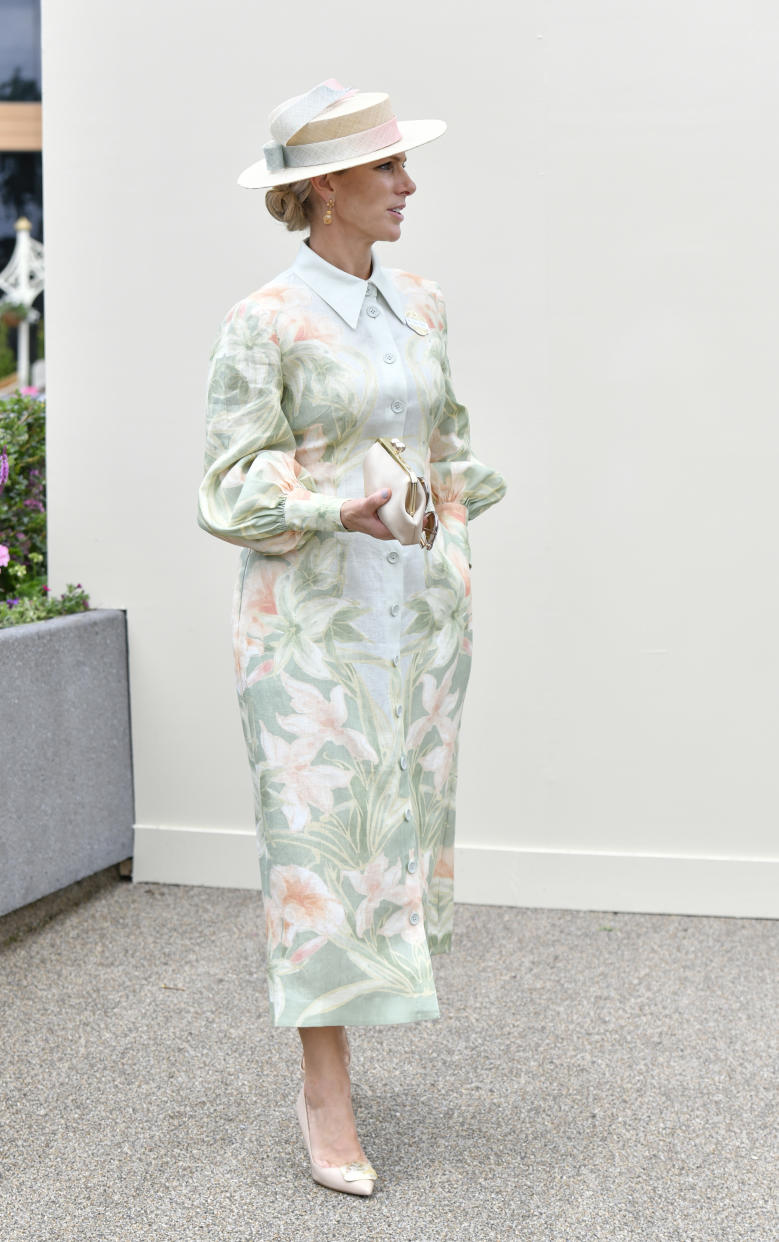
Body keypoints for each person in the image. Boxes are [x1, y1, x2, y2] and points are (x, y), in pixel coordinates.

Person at [197, 79, 507, 1197]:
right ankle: (324, 1089)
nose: (407, 184)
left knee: (395, 830)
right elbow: (227, 488)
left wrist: (453, 540)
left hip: (417, 626)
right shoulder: (264, 321)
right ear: (322, 186)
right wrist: (343, 507)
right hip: (306, 635)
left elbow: (448, 438)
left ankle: (349, 1039)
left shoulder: (420, 302)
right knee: (316, 851)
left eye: (400, 165)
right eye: (386, 168)